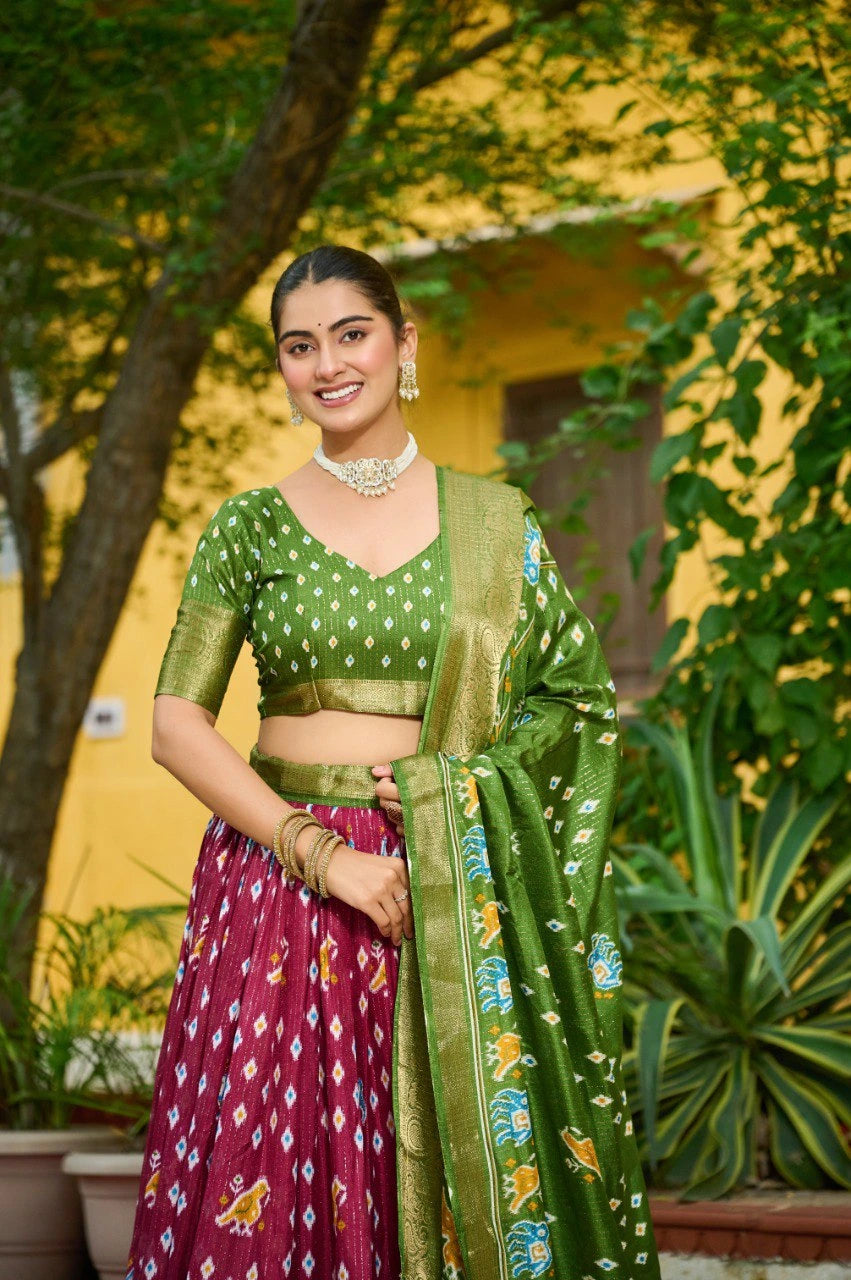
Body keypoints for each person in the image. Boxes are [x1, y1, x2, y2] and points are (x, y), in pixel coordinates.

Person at [123, 244, 662, 1280]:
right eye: (297, 344)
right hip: (277, 884)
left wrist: (454, 796)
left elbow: (575, 703)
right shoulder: (248, 524)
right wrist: (318, 852)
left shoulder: (498, 524)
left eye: (350, 332)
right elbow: (174, 722)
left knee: (439, 1169)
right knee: (269, 1174)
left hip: (442, 882)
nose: (326, 362)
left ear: (403, 341)